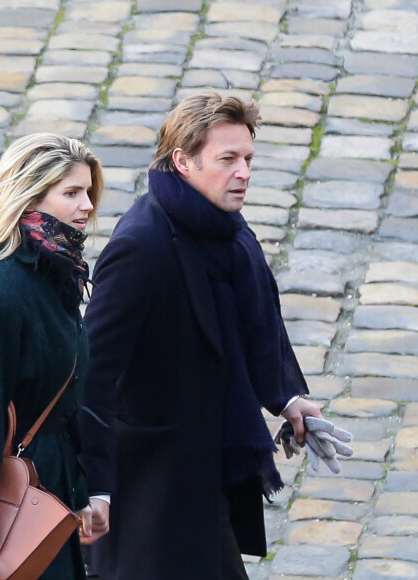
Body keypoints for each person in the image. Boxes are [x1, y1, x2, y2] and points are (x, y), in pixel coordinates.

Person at [78, 91, 324, 580]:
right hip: (152, 487)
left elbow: (253, 321)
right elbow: (93, 375)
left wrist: (287, 397)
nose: (244, 173)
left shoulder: (225, 226)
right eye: (228, 159)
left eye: (248, 159)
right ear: (183, 162)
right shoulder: (141, 247)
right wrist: (95, 488)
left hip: (205, 469)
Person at [0, 133, 109, 580]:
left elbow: (62, 407)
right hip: (6, 518)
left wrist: (83, 494)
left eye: (87, 191)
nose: (87, 204)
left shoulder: (55, 276)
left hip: (45, 501)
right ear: (29, 197)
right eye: (71, 193)